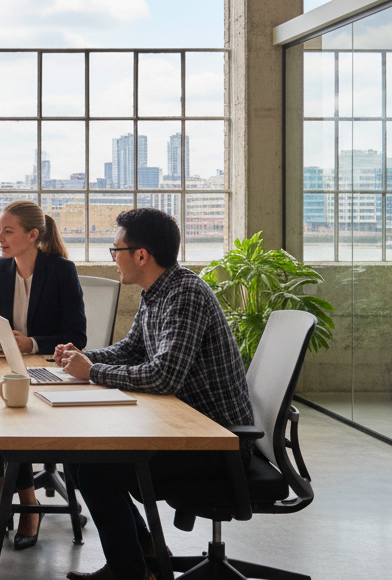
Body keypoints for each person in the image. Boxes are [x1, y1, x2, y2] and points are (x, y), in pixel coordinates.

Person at [54, 208, 254, 580]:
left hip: (216, 442)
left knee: (98, 471)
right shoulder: (157, 291)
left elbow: (164, 377)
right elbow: (131, 350)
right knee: (82, 459)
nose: (113, 259)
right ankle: (144, 553)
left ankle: (130, 573)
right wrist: (81, 357)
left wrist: (93, 371)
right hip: (184, 428)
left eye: (115, 250)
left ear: (141, 255)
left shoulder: (186, 294)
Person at [0, 199, 87, 550]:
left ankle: (29, 506)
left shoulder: (61, 270)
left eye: (8, 231)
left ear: (32, 235)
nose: (0, 238)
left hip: (46, 371)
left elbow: (77, 337)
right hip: (1, 368)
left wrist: (31, 343)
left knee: (7, 420)